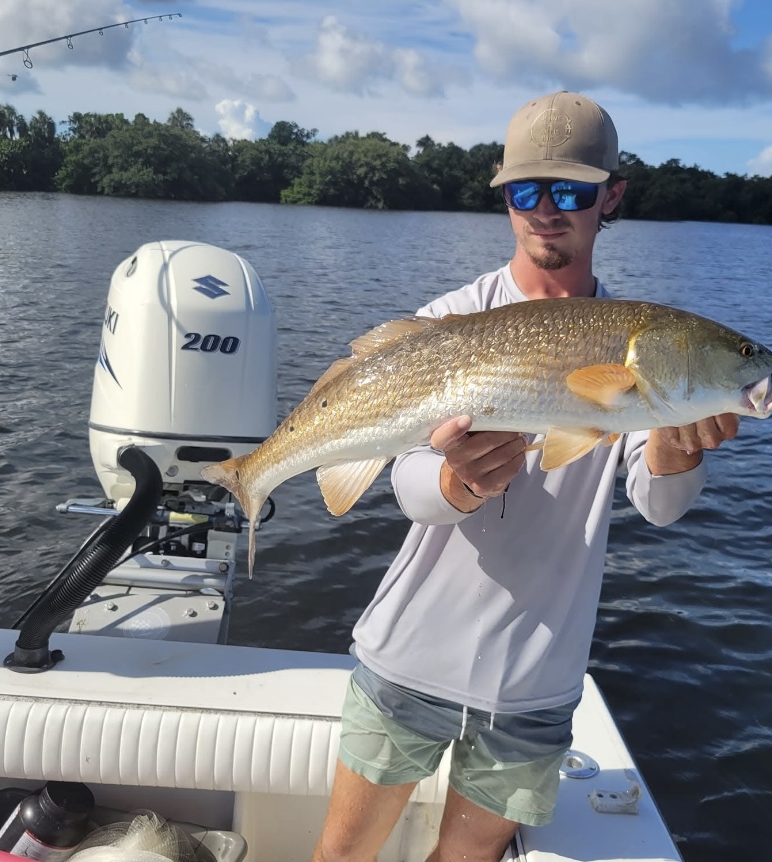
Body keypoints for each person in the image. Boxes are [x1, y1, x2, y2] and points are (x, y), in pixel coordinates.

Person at [312, 91, 740, 862]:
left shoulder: (648, 345)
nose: (546, 211)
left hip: (538, 682)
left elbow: (660, 505)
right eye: (526, 191)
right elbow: (406, 486)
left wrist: (679, 448)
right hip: (411, 655)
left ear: (611, 196)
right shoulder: (452, 317)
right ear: (504, 195)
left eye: (571, 191)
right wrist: (458, 483)